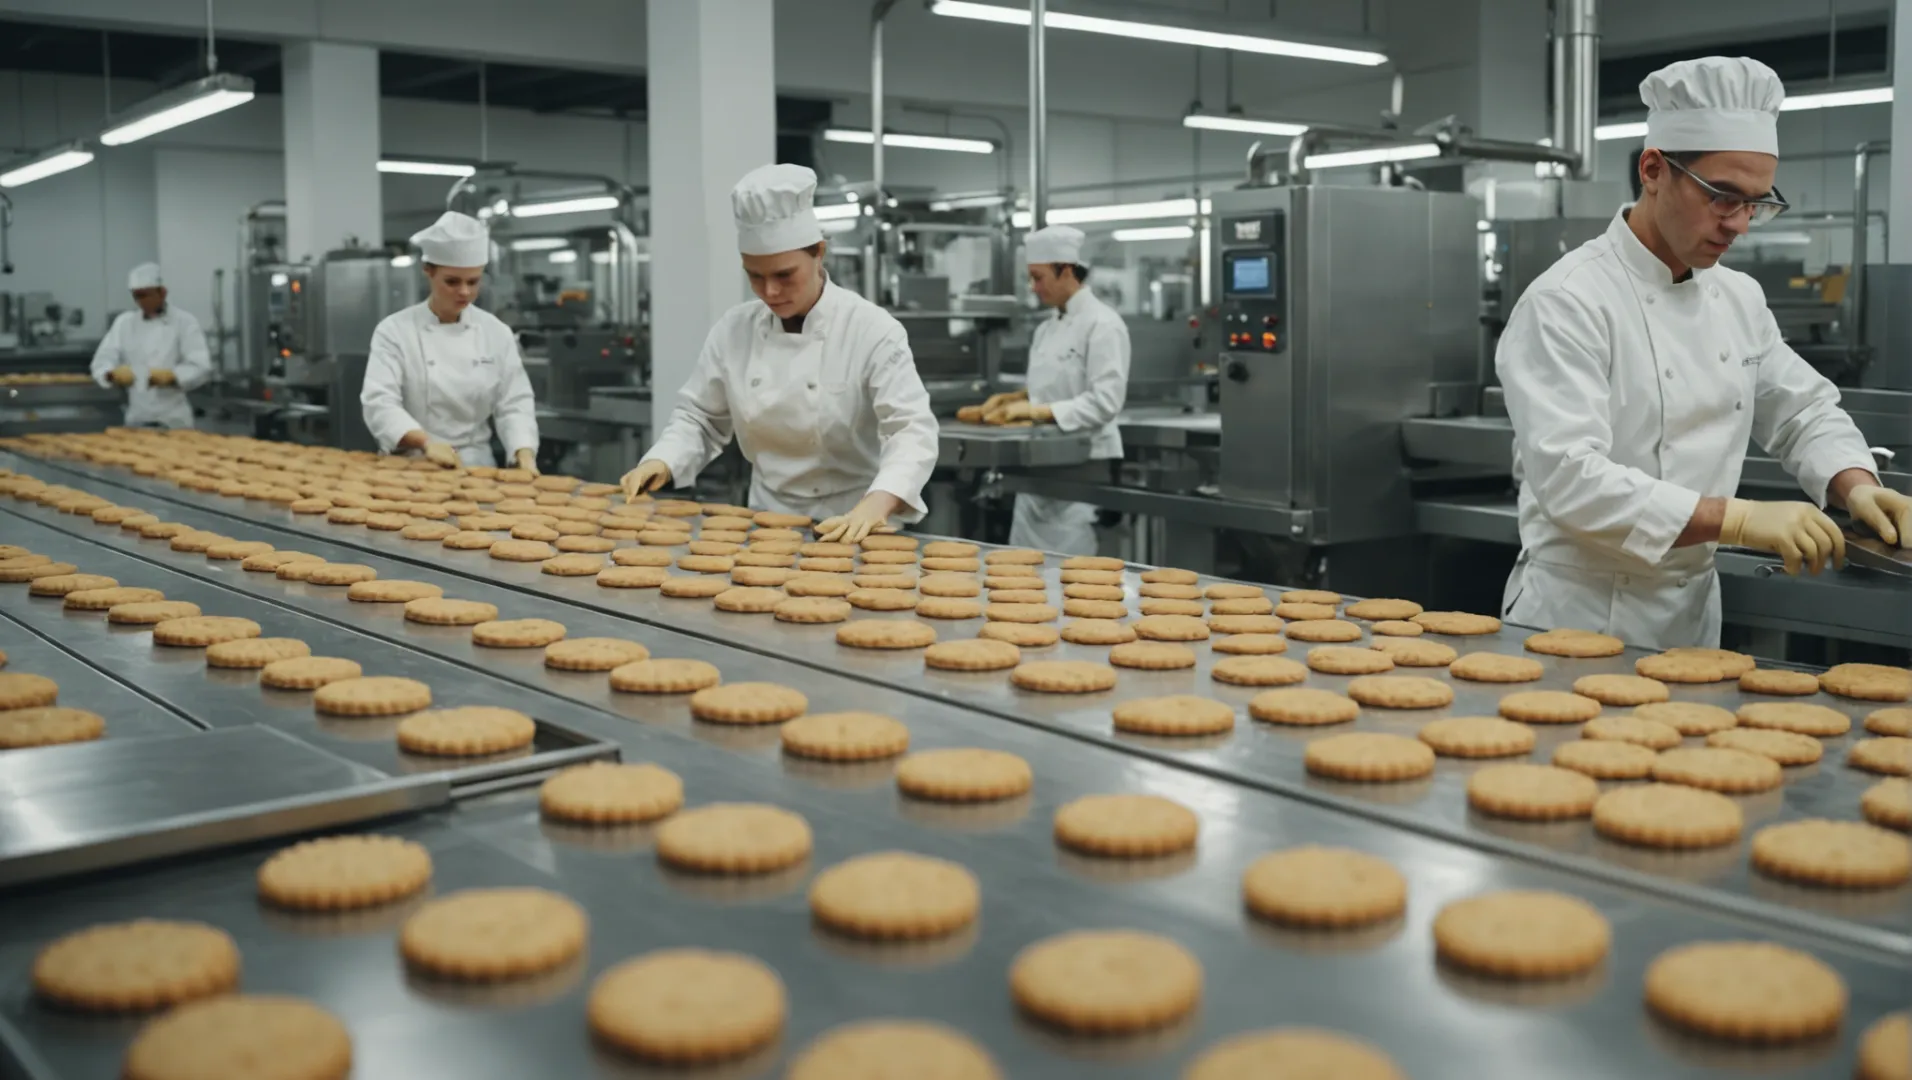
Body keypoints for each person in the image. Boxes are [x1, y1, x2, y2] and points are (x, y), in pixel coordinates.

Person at [1496, 56, 1910, 650]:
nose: (1740, 224)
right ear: (1653, 169)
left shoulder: (1738, 296)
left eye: (1758, 203)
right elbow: (1571, 481)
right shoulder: (1568, 300)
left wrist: (1858, 485)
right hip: (1574, 618)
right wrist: (1738, 519)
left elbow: (1801, 412)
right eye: (1724, 197)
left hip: (1689, 620)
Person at [621, 163, 938, 543]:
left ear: (819, 253)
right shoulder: (733, 330)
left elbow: (911, 429)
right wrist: (663, 460)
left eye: (784, 275)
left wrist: (878, 504)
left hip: (858, 524)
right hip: (766, 524)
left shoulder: (871, 330)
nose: (770, 291)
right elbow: (700, 418)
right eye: (755, 276)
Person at [982, 224, 1130, 554]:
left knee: (1071, 582)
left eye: (1038, 277)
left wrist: (1037, 412)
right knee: (1021, 578)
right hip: (1037, 468)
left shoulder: (1104, 325)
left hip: (1080, 469)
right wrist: (1018, 398)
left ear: (1066, 271)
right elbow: (1054, 388)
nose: (1033, 288)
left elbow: (1106, 401)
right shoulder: (1046, 329)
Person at [361, 211, 539, 472]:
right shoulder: (395, 331)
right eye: (452, 282)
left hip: (476, 468)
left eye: (473, 281)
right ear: (428, 272)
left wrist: (524, 453)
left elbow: (514, 403)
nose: (465, 292)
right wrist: (425, 442)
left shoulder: (496, 332)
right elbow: (379, 402)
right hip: (412, 465)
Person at [89, 263, 212, 429]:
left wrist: (172, 376)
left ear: (162, 292)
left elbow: (201, 366)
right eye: (136, 296)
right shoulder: (124, 323)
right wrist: (111, 375)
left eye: (145, 295)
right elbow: (102, 361)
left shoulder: (184, 322)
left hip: (174, 420)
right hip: (137, 418)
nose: (140, 301)